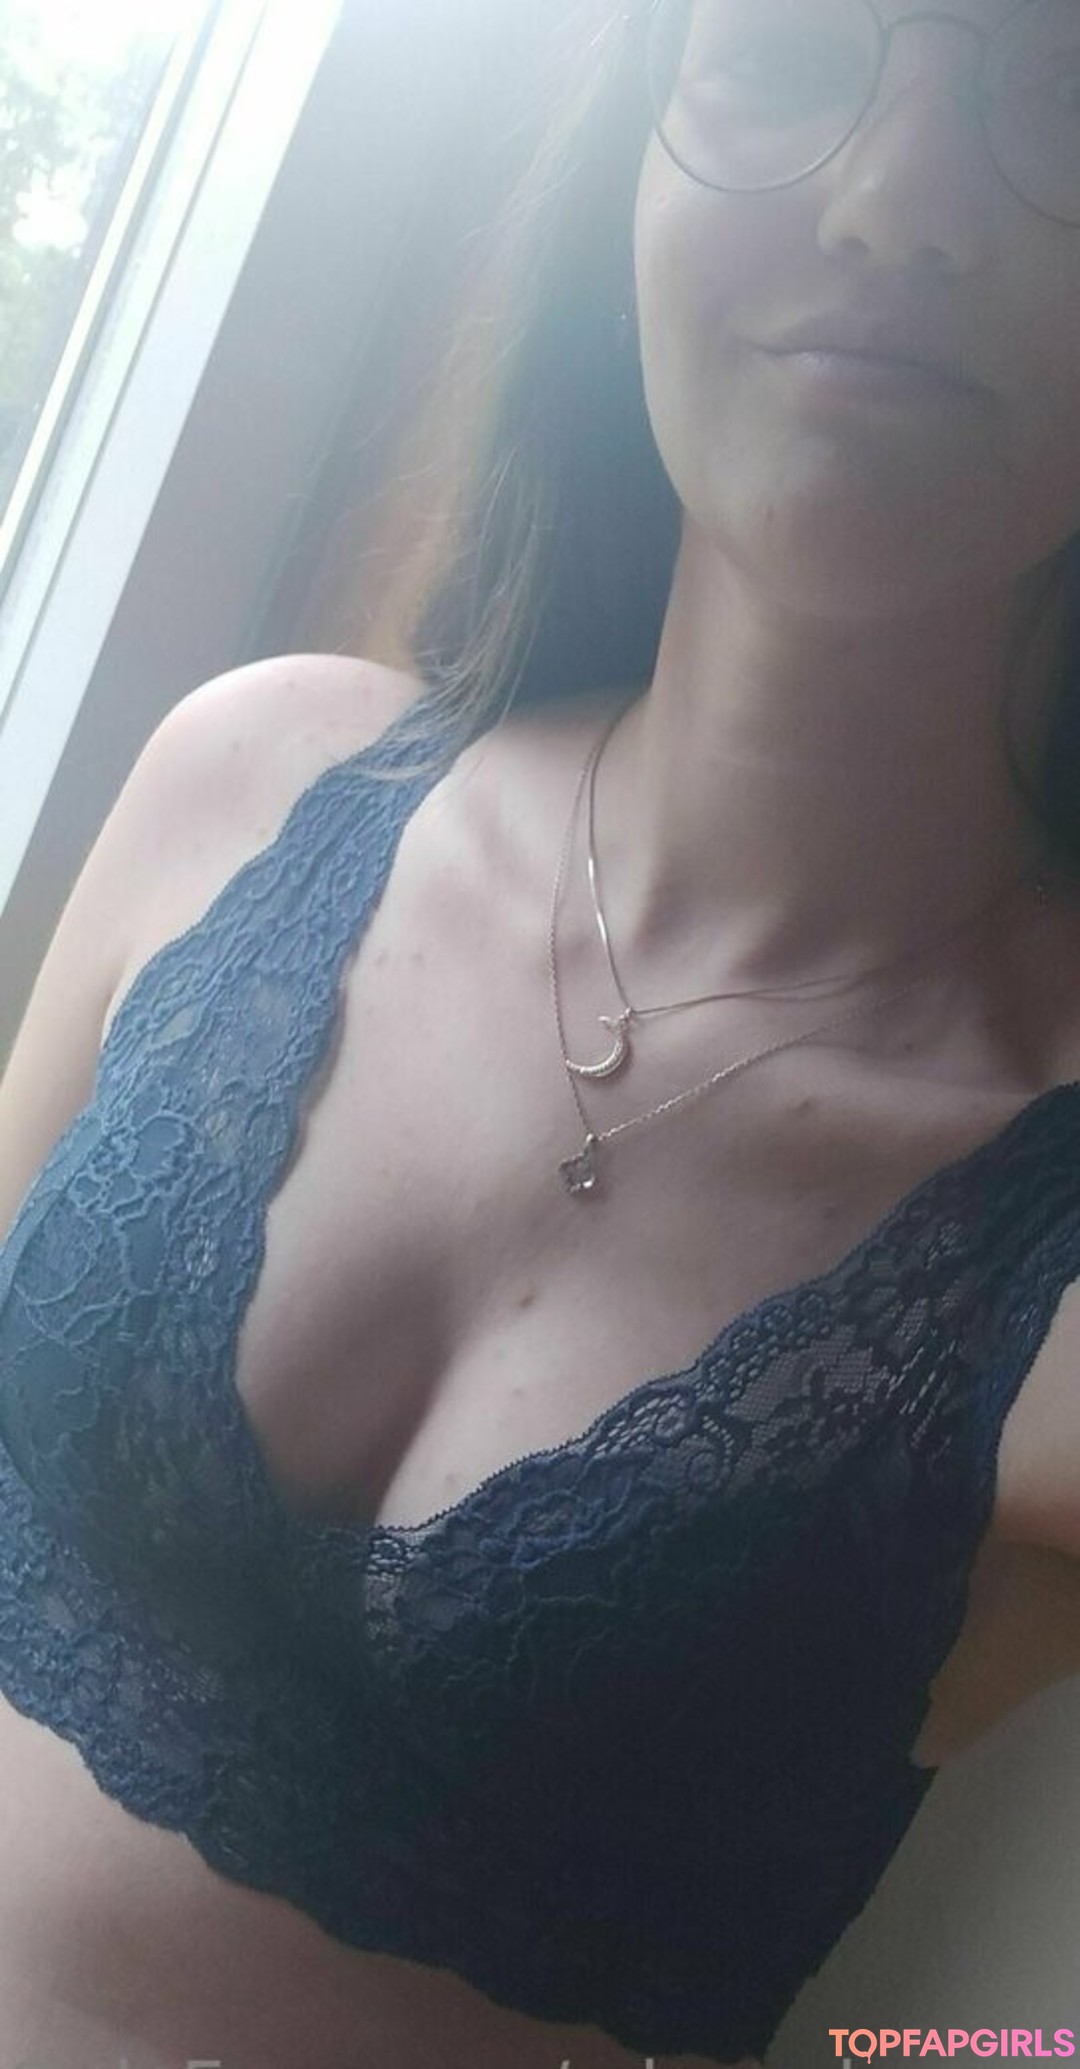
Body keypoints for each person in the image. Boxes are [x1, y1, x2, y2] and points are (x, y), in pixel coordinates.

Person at [1, 0, 1080, 2063]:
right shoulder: (248, 782)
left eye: (1065, 97)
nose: (898, 201)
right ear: (630, 177)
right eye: (793, 54)